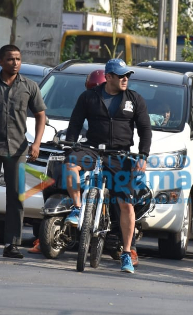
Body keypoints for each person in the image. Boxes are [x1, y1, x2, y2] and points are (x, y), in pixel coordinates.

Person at [63, 58, 152, 273]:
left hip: (120, 155)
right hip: (93, 149)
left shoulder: (135, 99)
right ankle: (77, 209)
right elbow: (74, 123)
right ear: (108, 77)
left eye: (127, 76)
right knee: (69, 164)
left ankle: (126, 253)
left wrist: (143, 156)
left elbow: (145, 130)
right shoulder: (89, 97)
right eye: (121, 76)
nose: (125, 79)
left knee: (125, 204)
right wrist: (70, 148)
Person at [0, 45, 46, 259]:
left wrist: (37, 143)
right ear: (1, 62)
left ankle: (12, 244)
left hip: (18, 148)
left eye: (18, 59)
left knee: (16, 196)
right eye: (10, 59)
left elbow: (41, 114)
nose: (15, 63)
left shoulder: (29, 86)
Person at [28, 69, 108, 255]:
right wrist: (65, 140)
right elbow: (73, 126)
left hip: (105, 156)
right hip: (81, 155)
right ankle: (46, 234)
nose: (95, 94)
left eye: (99, 89)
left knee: (121, 198)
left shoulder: (116, 108)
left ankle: (128, 249)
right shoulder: (84, 102)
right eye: (91, 89)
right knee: (54, 179)